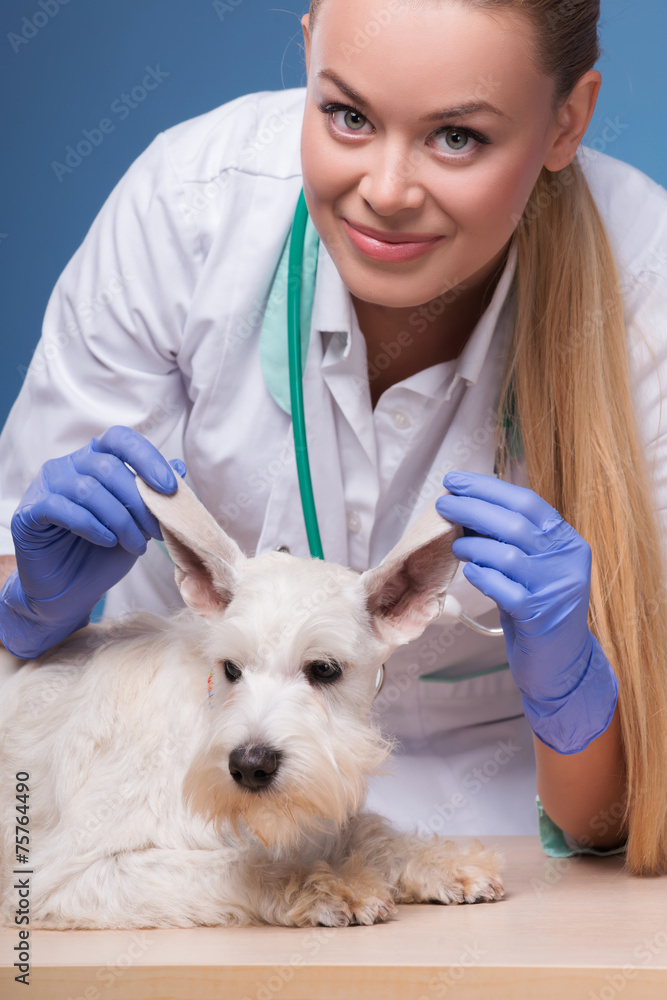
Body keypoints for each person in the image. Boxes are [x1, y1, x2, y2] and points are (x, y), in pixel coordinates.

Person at [1, 0, 666, 876]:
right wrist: (24, 615)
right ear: (310, 50)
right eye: (347, 115)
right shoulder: (192, 207)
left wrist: (569, 692)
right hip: (165, 808)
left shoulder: (643, 285)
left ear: (566, 120)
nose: (385, 192)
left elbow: (617, 825)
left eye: (456, 136)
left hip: (496, 832)